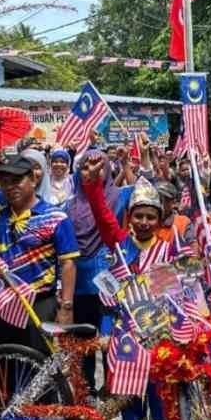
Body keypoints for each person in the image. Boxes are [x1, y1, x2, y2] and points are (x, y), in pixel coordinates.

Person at [78, 158, 187, 420]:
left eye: (150, 216)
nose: (143, 221)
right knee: (128, 392)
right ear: (130, 217)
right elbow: (101, 214)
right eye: (138, 215)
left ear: (159, 218)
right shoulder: (120, 243)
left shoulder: (169, 248)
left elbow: (182, 287)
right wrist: (93, 184)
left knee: (158, 389)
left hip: (157, 329)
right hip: (124, 329)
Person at [0, 119, 79, 352]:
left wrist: (66, 307)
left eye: (18, 180)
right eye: (5, 182)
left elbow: (68, 263)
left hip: (39, 303)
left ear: (33, 179)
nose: (11, 187)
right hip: (1, 302)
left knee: (40, 373)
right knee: (2, 368)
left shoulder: (56, 217)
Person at [64, 148, 132, 398]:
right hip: (79, 282)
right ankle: (86, 389)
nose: (92, 171)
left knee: (110, 335)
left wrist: (133, 164)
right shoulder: (68, 206)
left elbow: (145, 193)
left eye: (99, 166)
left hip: (109, 281)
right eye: (85, 167)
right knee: (84, 337)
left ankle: (116, 387)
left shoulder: (120, 197)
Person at [154, 180, 194, 244]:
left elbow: (193, 250)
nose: (161, 203)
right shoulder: (147, 222)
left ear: (173, 202)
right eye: (157, 198)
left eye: (166, 200)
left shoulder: (183, 222)